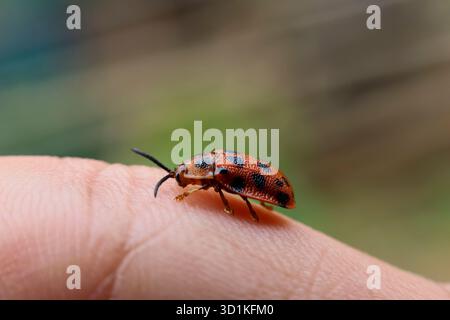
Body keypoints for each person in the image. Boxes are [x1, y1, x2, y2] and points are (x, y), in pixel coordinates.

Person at [0, 156, 448, 299]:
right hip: (252, 183)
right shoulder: (208, 175)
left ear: (194, 176)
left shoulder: (216, 177)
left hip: (268, 187)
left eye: (183, 181)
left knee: (238, 194)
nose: (184, 184)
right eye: (181, 181)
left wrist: (236, 204)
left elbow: (240, 187)